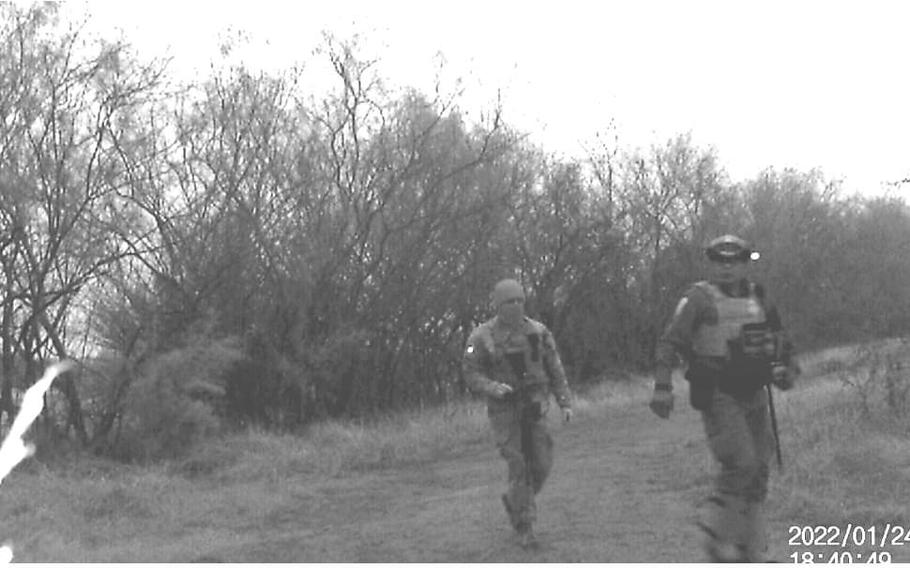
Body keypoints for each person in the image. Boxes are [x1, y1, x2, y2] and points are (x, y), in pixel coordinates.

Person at [648, 235, 799, 562]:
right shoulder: (698, 299)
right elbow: (669, 342)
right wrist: (662, 386)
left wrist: (787, 368)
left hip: (754, 392)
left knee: (758, 470)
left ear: (745, 263)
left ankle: (752, 551)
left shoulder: (758, 296)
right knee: (741, 462)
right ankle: (717, 538)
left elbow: (780, 336)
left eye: (734, 261)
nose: (727, 267)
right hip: (718, 393)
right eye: (720, 261)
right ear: (711, 264)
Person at [463, 278, 573, 548]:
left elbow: (554, 367)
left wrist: (564, 401)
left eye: (519, 300)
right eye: (509, 301)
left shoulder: (539, 331)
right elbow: (470, 372)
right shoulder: (480, 337)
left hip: (535, 405)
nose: (516, 306)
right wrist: (492, 387)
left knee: (543, 463)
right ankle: (526, 526)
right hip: (504, 412)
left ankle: (516, 500)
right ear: (498, 305)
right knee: (519, 464)